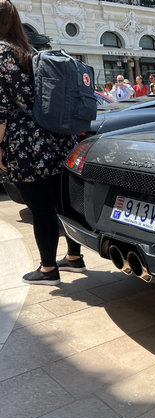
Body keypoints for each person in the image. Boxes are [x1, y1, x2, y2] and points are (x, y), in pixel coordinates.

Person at [0, 0, 85, 285]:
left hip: (25, 142)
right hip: (58, 136)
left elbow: (1, 111)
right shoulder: (30, 51)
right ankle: (74, 257)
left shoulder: (0, 54)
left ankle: (48, 269)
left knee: (41, 208)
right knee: (63, 202)